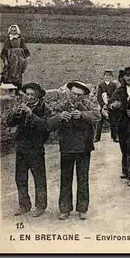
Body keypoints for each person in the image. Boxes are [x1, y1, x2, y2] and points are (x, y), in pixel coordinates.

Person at [47, 81, 101, 220]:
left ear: (83, 95)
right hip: (66, 147)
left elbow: (98, 116)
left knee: (83, 178)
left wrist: (82, 115)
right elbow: (49, 123)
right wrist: (59, 117)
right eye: (73, 94)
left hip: (84, 147)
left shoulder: (88, 104)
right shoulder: (62, 105)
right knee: (66, 178)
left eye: (79, 95)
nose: (75, 97)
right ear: (69, 92)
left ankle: (82, 209)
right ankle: (65, 209)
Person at [6, 83, 51, 217]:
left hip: (35, 148)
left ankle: (40, 206)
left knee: (39, 177)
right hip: (21, 147)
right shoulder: (21, 106)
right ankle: (24, 205)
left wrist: (31, 114)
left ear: (37, 95)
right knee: (20, 177)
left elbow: (45, 126)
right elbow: (9, 123)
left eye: (32, 95)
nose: (29, 97)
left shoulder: (44, 108)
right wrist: (15, 114)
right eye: (28, 94)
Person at [0, 25, 31, 90]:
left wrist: (26, 58)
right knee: (9, 73)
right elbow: (4, 51)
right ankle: (9, 89)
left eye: (15, 30)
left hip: (19, 60)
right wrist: (5, 60)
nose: (13, 32)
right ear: (9, 31)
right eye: (12, 30)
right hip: (10, 60)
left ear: (17, 31)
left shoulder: (20, 39)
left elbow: (24, 48)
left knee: (18, 74)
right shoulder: (8, 40)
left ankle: (18, 89)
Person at [94, 69, 119, 142]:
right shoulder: (101, 85)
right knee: (99, 121)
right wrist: (103, 105)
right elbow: (99, 96)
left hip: (111, 105)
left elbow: (115, 96)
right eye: (106, 75)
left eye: (109, 75)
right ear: (104, 76)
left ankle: (115, 136)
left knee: (113, 121)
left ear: (111, 77)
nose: (107, 77)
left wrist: (110, 104)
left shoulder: (114, 85)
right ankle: (97, 137)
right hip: (103, 106)